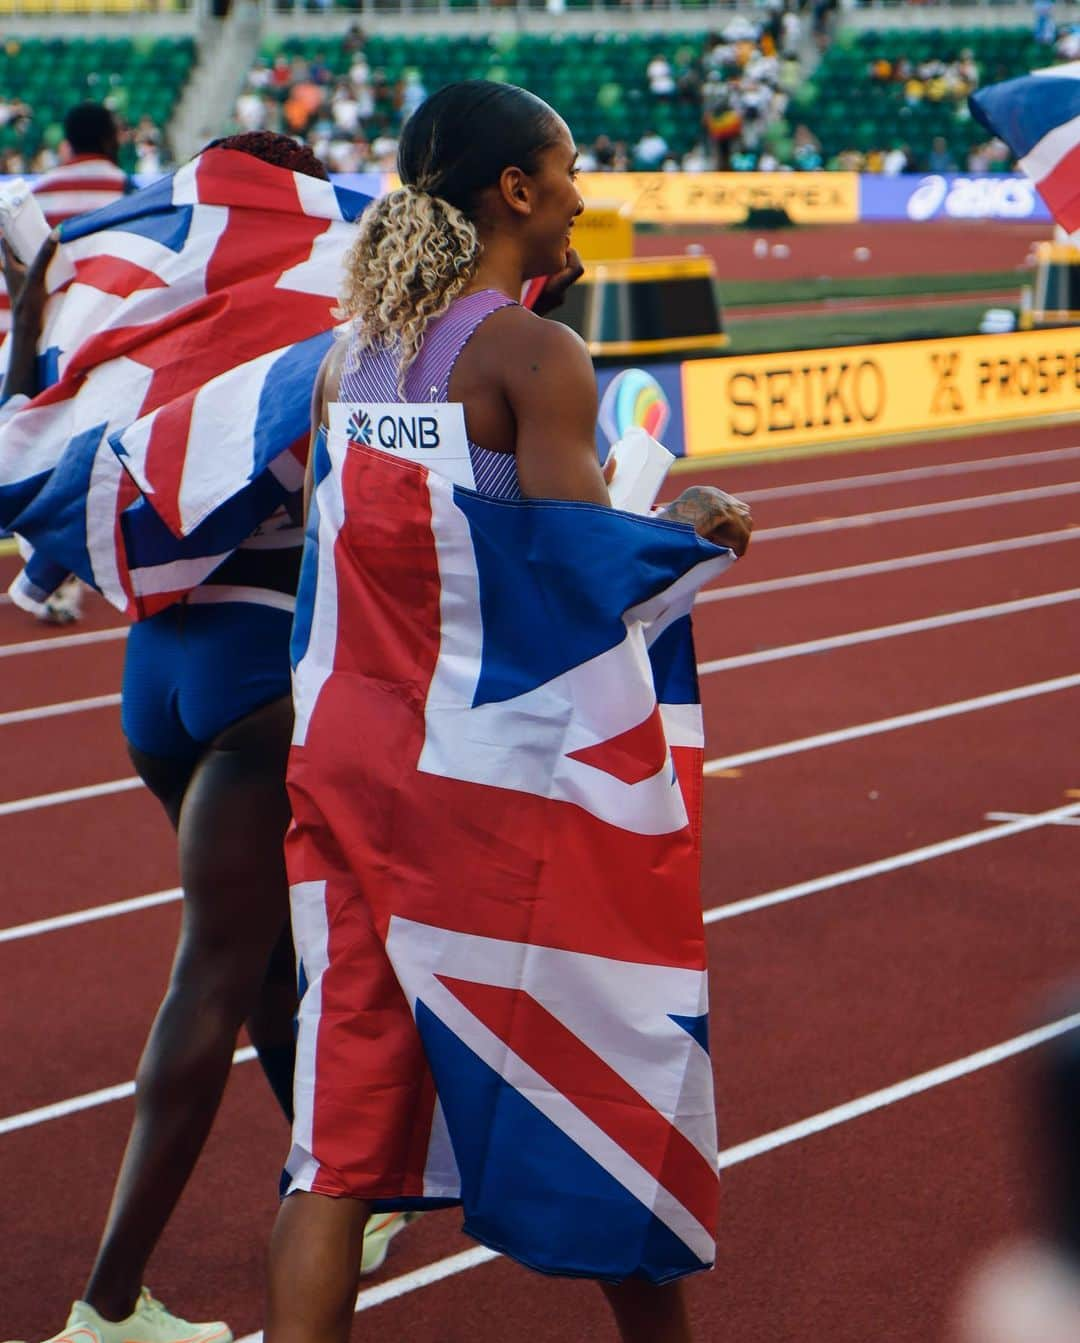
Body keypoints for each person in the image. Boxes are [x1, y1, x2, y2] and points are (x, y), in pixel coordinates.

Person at [265, 81, 752, 1343]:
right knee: (602, 1056)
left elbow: (352, 566)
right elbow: (582, 572)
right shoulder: (532, 357)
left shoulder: (349, 356)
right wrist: (691, 530)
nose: (586, 192)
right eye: (570, 167)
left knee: (338, 1146)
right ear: (518, 194)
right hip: (485, 790)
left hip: (353, 774)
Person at [4, 131, 409, 1343]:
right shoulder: (323, 309)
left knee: (271, 953)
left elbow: (47, 396)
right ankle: (108, 1305)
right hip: (261, 674)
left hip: (159, 679)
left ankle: (345, 1190)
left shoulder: (158, 316)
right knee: (221, 968)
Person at [3, 102, 132, 624]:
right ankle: (70, 571)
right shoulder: (129, 193)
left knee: (41, 451)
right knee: (86, 459)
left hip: (42, 340)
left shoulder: (38, 194)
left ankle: (48, 572)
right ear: (109, 139)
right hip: (102, 338)